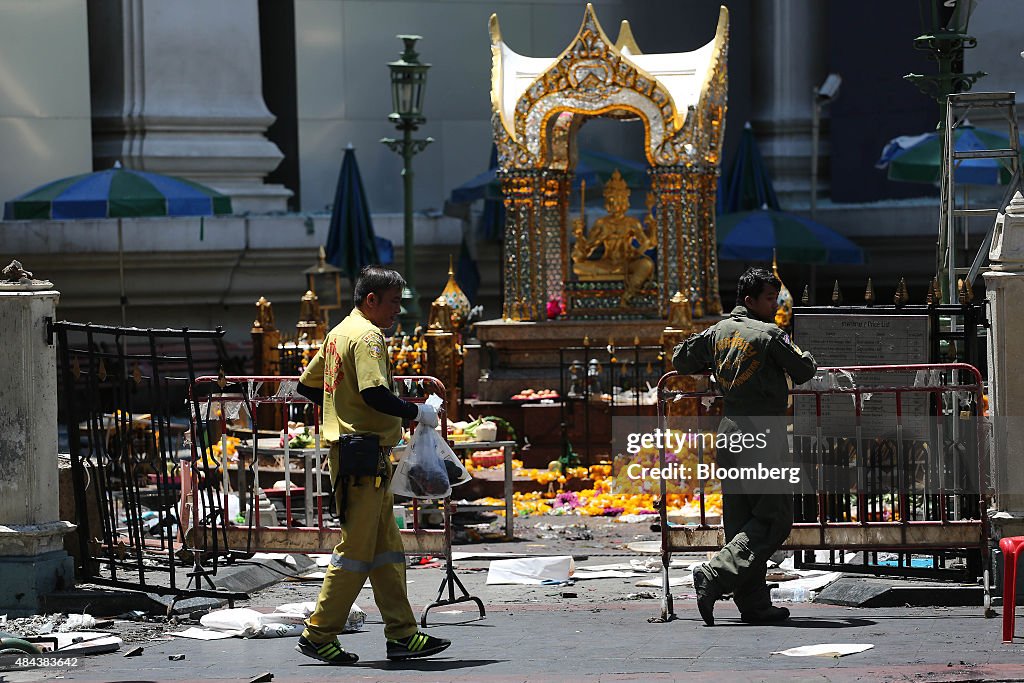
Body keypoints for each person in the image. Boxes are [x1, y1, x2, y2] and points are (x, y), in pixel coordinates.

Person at [293, 265, 452, 664]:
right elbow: (375, 393)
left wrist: (340, 414)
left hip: (360, 454)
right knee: (356, 553)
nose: (399, 310)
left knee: (386, 550)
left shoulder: (339, 332)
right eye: (395, 302)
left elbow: (307, 385)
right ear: (371, 300)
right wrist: (418, 413)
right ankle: (318, 633)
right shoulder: (368, 337)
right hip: (362, 456)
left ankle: (402, 634)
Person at [671, 267, 817, 626]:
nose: (776, 305)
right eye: (770, 298)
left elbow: (680, 359)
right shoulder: (769, 334)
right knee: (774, 519)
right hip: (763, 435)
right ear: (750, 301)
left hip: (730, 432)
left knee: (741, 523)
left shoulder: (718, 331)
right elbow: (803, 370)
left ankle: (754, 604)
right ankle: (715, 574)